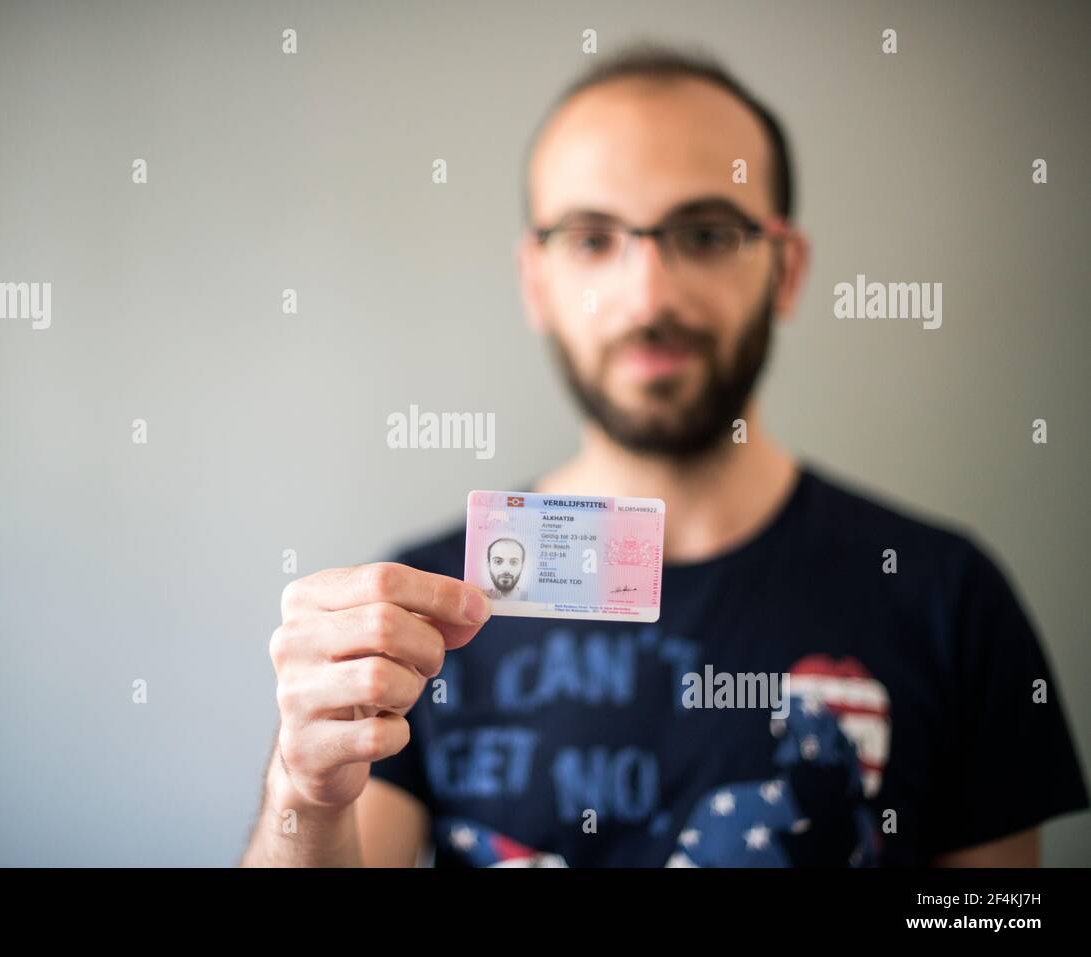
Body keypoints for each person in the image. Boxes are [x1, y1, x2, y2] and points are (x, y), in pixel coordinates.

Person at [242, 45, 1087, 867]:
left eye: (708, 233)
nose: (648, 297)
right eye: (591, 237)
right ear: (535, 282)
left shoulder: (948, 598)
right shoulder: (423, 616)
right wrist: (300, 792)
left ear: (786, 270)